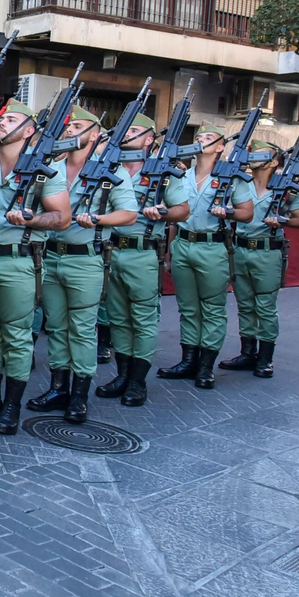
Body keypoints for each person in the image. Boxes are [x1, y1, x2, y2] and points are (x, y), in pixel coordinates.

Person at [0, 99, 70, 434]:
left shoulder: (44, 167)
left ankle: (11, 405)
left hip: (20, 260)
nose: (2, 123)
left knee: (17, 337)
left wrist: (33, 218)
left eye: (12, 119)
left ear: (30, 130)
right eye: (2, 119)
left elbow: (61, 217)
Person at [28, 106, 139, 424]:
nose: (68, 130)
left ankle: (79, 397)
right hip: (51, 255)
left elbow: (129, 213)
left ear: (94, 134)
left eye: (76, 125)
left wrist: (99, 219)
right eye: (67, 125)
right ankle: (57, 389)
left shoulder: (108, 172)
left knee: (82, 331)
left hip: (85, 258)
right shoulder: (51, 167)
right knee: (57, 327)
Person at [94, 115, 189, 406]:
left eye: (134, 131)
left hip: (143, 251)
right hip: (111, 250)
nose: (127, 136)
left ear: (149, 139)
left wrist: (162, 213)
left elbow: (182, 210)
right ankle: (122, 375)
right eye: (126, 131)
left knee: (143, 319)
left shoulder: (163, 173)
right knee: (117, 317)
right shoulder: (111, 168)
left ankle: (137, 381)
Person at [156, 125, 255, 389]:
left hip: (213, 246)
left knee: (211, 309)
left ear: (221, 146)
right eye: (199, 137)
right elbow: (176, 217)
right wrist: (169, 250)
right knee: (188, 308)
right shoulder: (181, 176)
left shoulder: (230, 178)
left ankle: (205, 366)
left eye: (208, 138)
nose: (201, 141)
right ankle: (188, 361)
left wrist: (229, 213)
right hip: (183, 244)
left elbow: (247, 212)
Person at [218, 141, 299, 378]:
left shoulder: (288, 190)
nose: (255, 157)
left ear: (274, 161)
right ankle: (248, 353)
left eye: (262, 154)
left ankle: (266, 358)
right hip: (239, 249)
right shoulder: (238, 184)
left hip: (268, 250)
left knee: (266, 307)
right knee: (244, 304)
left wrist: (283, 220)